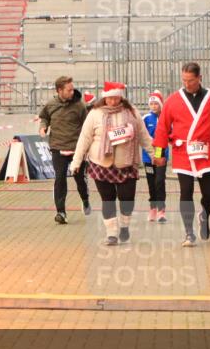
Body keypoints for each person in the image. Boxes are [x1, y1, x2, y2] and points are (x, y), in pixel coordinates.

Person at [152, 62, 210, 247]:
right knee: (185, 192)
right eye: (184, 80)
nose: (187, 84)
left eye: (191, 81)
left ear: (200, 78)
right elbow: (162, 128)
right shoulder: (173, 100)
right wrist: (158, 152)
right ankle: (189, 233)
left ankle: (204, 215)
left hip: (206, 152)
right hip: (183, 153)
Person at [70, 82, 153, 245]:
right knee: (107, 199)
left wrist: (154, 154)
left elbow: (143, 136)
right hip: (101, 163)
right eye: (109, 99)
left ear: (121, 96)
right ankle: (111, 233)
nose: (113, 102)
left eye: (116, 98)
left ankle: (124, 227)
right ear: (104, 98)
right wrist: (76, 161)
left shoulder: (131, 112)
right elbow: (84, 138)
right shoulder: (95, 113)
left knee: (127, 199)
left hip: (127, 163)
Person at [38, 75, 91, 224]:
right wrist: (43, 127)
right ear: (59, 90)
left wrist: (87, 146)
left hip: (76, 149)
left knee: (80, 179)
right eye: (69, 90)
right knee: (60, 179)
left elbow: (87, 126)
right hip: (57, 147)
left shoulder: (79, 106)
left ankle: (85, 199)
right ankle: (61, 212)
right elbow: (44, 117)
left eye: (72, 89)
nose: (72, 92)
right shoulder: (51, 104)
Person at [142, 90, 167, 223]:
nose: (153, 106)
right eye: (151, 103)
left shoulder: (166, 117)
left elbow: (171, 133)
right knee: (151, 183)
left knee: (160, 181)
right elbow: (141, 134)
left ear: (160, 104)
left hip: (161, 154)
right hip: (147, 156)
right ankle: (152, 208)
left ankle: (161, 210)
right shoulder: (146, 118)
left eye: (156, 103)